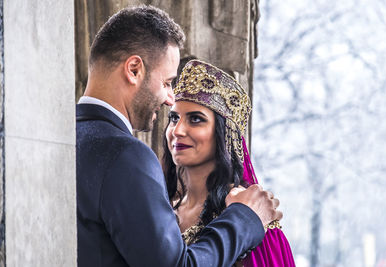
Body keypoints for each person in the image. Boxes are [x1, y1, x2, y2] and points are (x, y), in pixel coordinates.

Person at [76, 5, 283, 267]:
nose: (169, 99)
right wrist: (245, 218)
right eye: (166, 83)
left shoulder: (64, 140)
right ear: (134, 70)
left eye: (196, 119)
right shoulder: (126, 156)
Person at [163, 59, 296, 266]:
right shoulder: (162, 208)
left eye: (195, 119)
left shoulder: (254, 215)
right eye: (174, 118)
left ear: (225, 135)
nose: (177, 130)